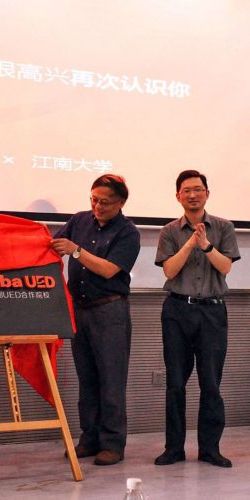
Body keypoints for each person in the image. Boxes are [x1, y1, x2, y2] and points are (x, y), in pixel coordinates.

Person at [51, 174, 140, 466]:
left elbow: (109, 270)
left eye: (105, 202)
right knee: (87, 379)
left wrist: (76, 251)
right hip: (79, 309)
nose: (98, 206)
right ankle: (89, 438)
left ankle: (112, 443)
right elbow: (52, 245)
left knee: (111, 380)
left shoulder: (128, 232)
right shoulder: (79, 220)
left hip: (110, 311)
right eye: (94, 199)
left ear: (121, 203)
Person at [154, 170, 240, 468]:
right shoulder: (169, 231)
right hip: (177, 311)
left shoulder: (224, 227)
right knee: (175, 383)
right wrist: (190, 242)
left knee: (211, 383)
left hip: (212, 312)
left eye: (198, 189)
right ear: (178, 196)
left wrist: (206, 245)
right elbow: (169, 271)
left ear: (207, 193)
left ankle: (210, 449)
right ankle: (174, 448)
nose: (193, 194)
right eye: (187, 190)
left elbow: (225, 267)